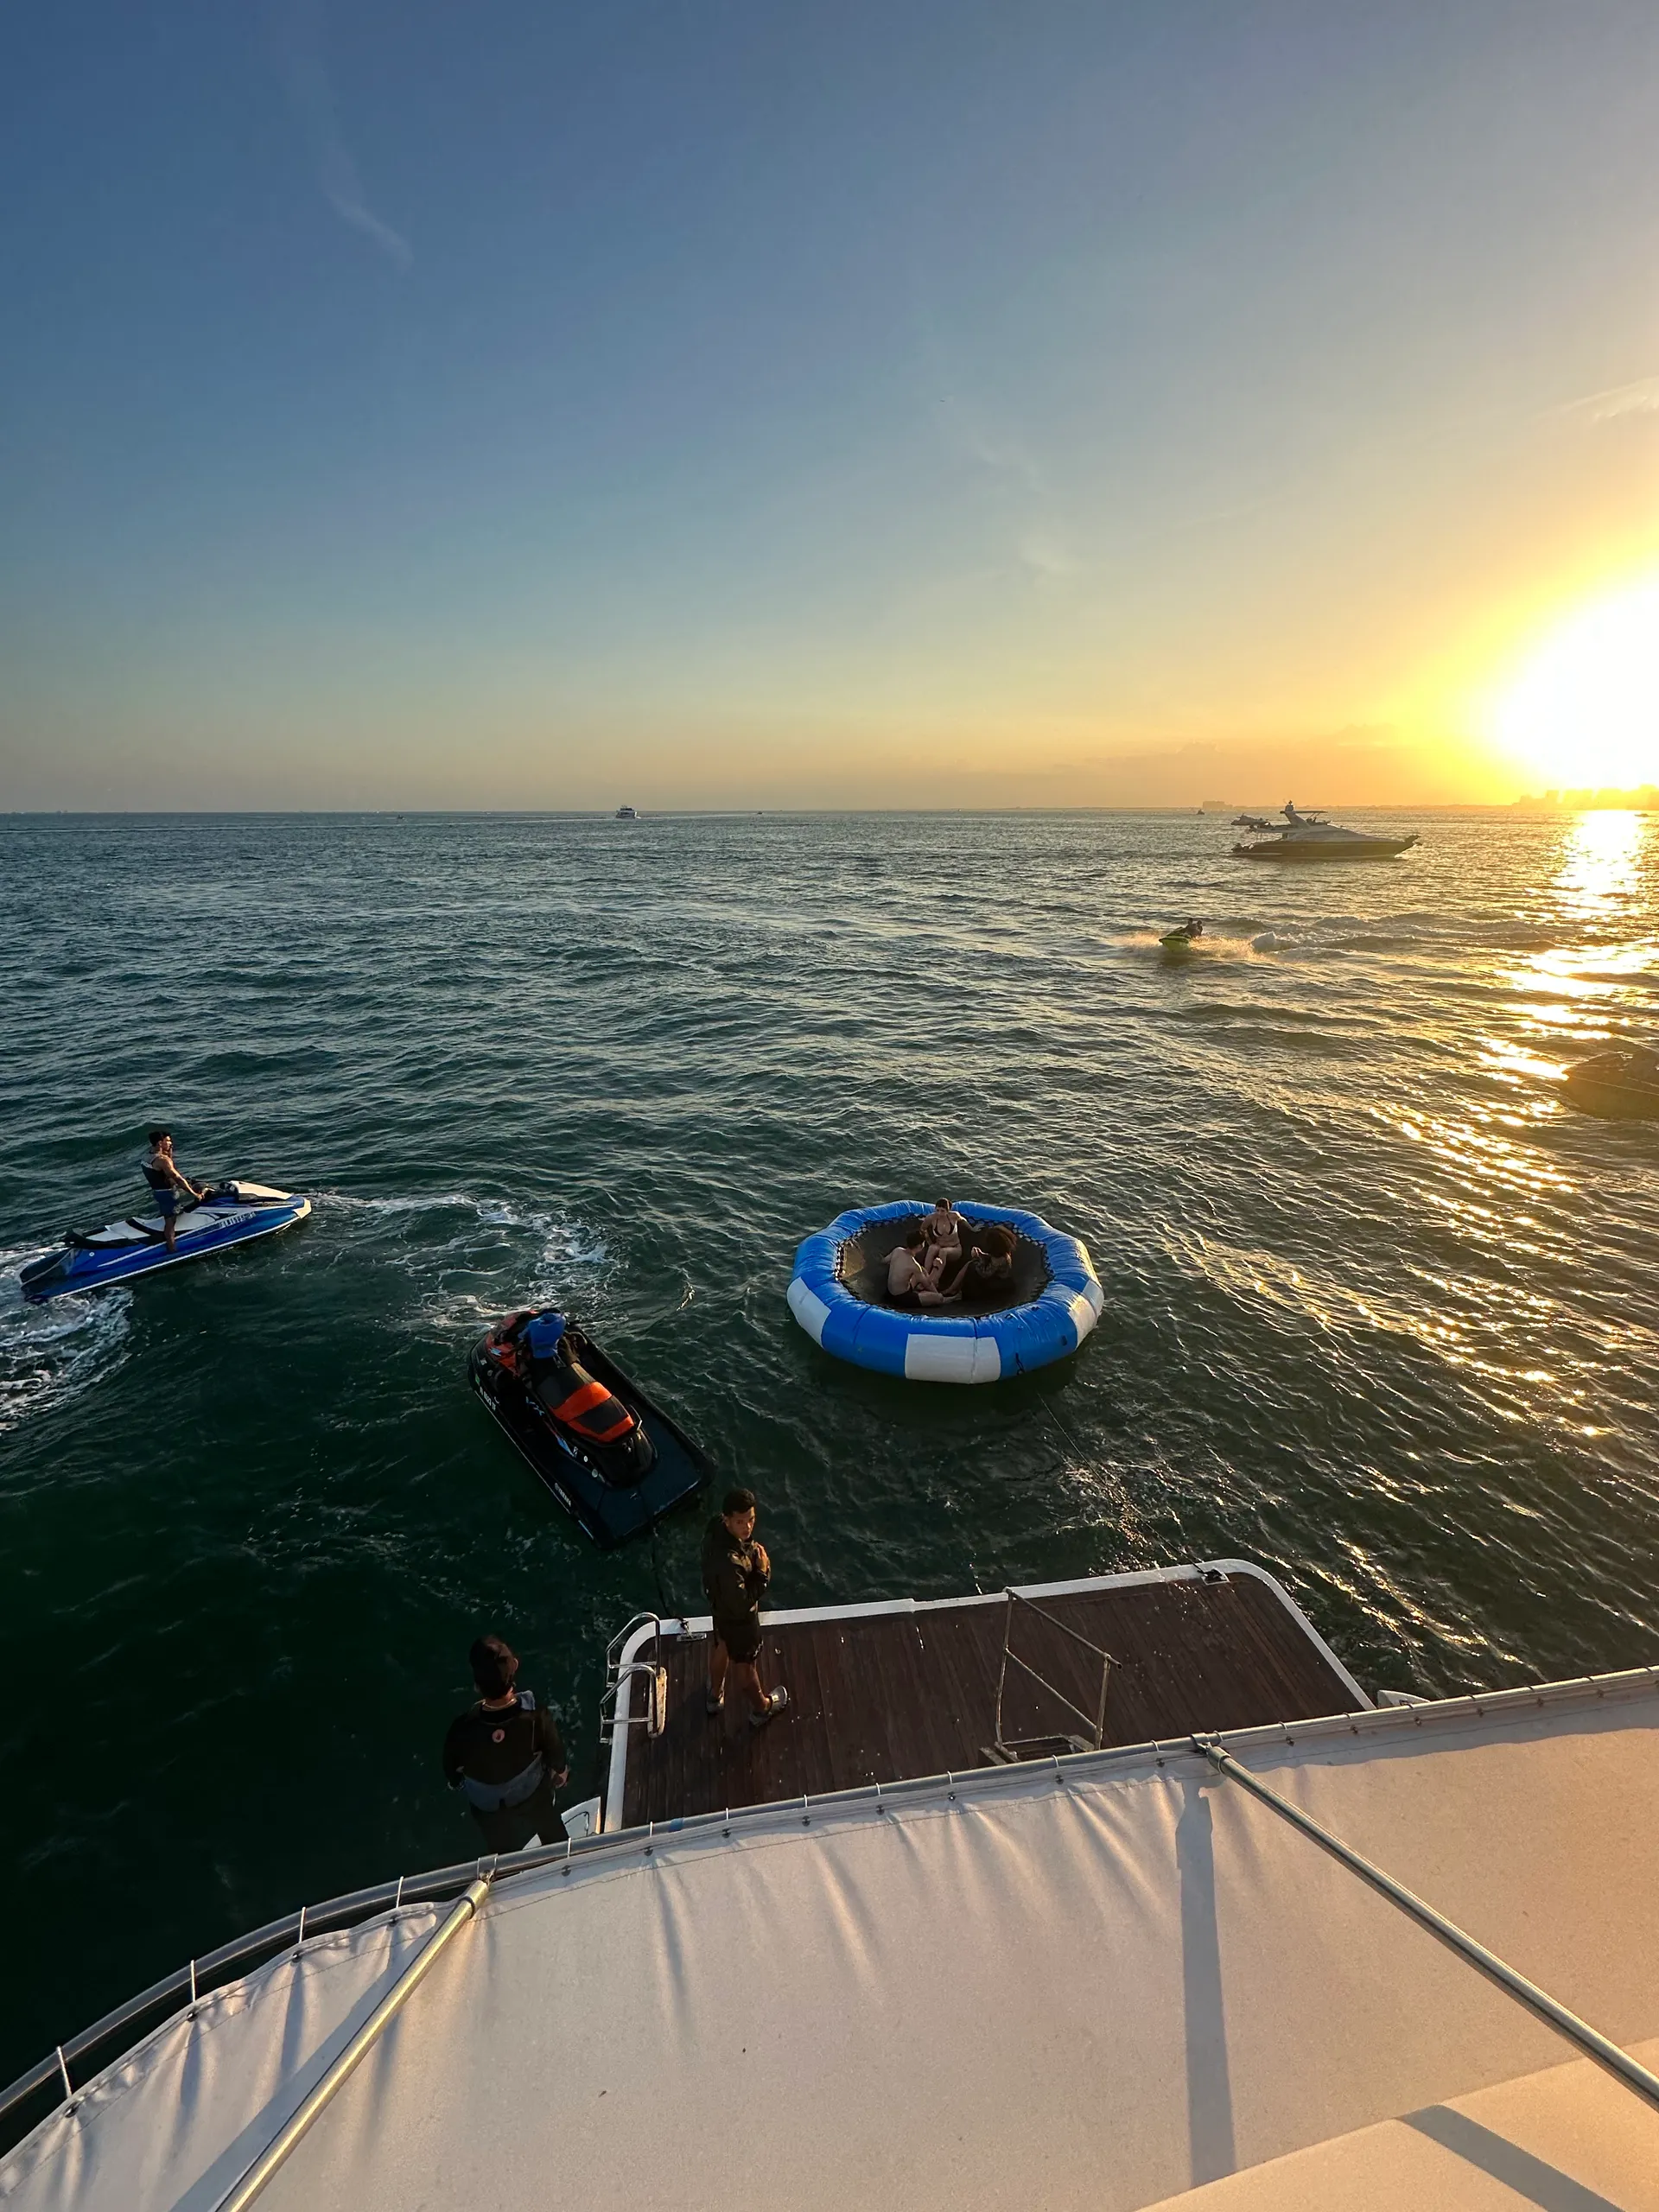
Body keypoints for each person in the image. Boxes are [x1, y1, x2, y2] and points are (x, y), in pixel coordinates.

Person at [442, 1634, 569, 1854]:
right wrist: (561, 1770)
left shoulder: (462, 1728)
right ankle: (561, 1857)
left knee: (501, 1849)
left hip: (488, 1805)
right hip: (530, 1793)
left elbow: (451, 1770)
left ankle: (507, 1872)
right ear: (516, 1666)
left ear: (476, 1686)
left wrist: (458, 1782)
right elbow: (554, 1750)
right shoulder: (535, 1715)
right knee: (551, 1829)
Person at [701, 1487, 788, 1726]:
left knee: (722, 1645)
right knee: (746, 1667)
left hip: (720, 1609)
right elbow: (742, 1602)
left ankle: (714, 1695)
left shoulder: (715, 1529)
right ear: (727, 1519)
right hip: (740, 1620)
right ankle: (762, 1708)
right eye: (740, 1522)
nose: (748, 1528)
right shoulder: (731, 1564)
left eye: (751, 1520)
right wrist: (762, 1573)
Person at [141, 1128, 206, 1254]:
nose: (170, 1143)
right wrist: (194, 1194)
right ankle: (172, 1250)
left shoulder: (147, 1156)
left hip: (158, 1192)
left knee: (172, 1214)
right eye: (168, 1141)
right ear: (160, 1143)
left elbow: (163, 1170)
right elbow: (177, 1178)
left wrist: (169, 1153)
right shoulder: (162, 1160)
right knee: (170, 1223)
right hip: (168, 1194)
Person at [941, 1224, 1017, 1304]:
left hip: (995, 1284)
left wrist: (977, 1258)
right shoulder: (1000, 1253)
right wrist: (980, 1254)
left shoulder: (1000, 1259)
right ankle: (953, 1289)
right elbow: (990, 1257)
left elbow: (985, 1274)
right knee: (970, 1264)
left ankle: (955, 1292)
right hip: (992, 1276)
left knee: (971, 1267)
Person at [921, 1198, 967, 1284]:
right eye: (937, 1210)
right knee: (932, 1248)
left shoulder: (954, 1216)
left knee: (943, 1251)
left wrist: (973, 1229)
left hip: (955, 1248)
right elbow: (923, 1229)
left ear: (948, 1211)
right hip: (939, 1245)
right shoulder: (931, 1218)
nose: (939, 1213)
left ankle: (935, 1280)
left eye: (942, 1211)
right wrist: (929, 1241)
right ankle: (924, 1276)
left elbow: (964, 1221)